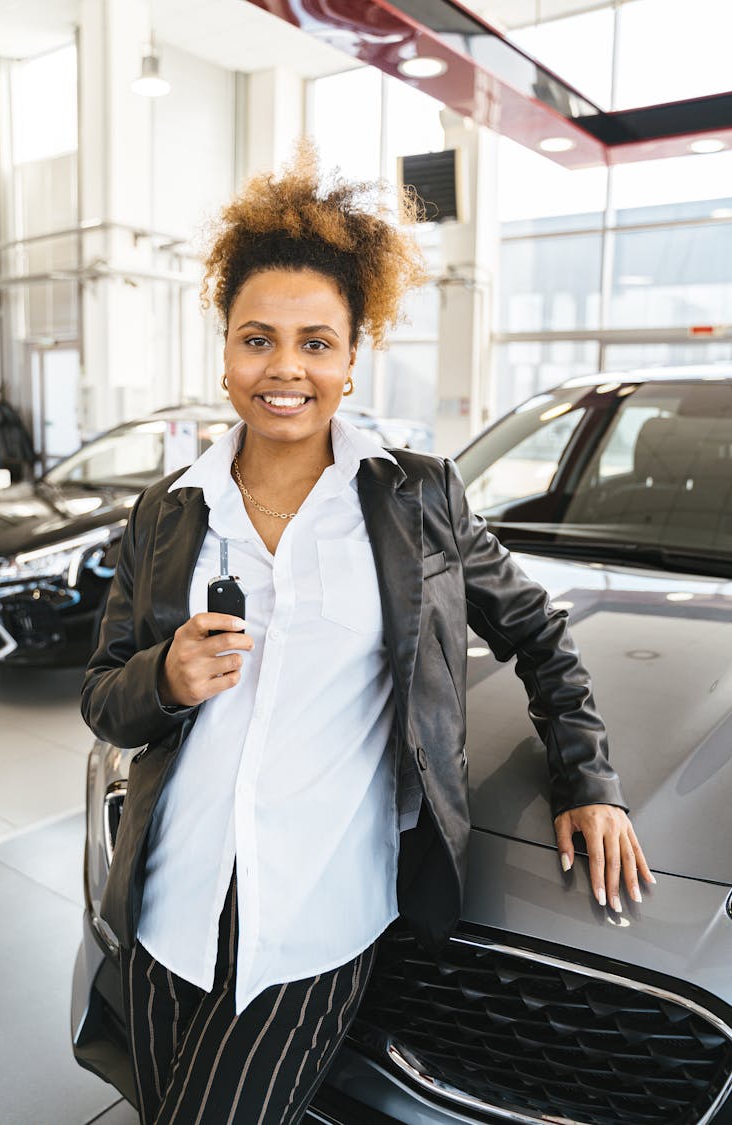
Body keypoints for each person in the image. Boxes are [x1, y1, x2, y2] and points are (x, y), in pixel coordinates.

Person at [81, 148, 653, 1125]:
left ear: (352, 358)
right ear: (225, 353)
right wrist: (164, 678)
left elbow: (535, 633)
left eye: (316, 342)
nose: (285, 369)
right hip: (168, 912)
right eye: (258, 340)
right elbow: (104, 697)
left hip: (315, 924)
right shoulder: (172, 513)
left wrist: (586, 779)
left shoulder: (416, 500)